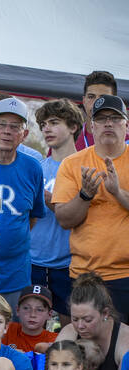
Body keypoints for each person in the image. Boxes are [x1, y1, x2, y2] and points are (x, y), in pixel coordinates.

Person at [53, 94, 129, 319]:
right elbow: (65, 220)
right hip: (85, 275)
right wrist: (85, 195)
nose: (108, 123)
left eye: (115, 118)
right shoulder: (72, 164)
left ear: (126, 125)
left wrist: (117, 192)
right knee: (88, 347)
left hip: (126, 274)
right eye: (102, 118)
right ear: (91, 127)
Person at [0, 97, 47, 311]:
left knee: (12, 339)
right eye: (1, 124)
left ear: (25, 134)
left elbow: (33, 216)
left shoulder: (33, 168)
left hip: (17, 276)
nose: (7, 131)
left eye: (15, 126)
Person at [31, 99, 83, 324]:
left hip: (68, 263)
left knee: (70, 330)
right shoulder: (38, 168)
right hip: (33, 262)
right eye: (43, 124)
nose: (46, 129)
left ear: (73, 127)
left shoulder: (86, 166)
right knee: (31, 330)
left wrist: (50, 200)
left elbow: (84, 216)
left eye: (54, 122)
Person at [3, 285, 57, 370]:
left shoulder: (54, 339)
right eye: (26, 308)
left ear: (49, 314)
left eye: (39, 310)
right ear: (17, 310)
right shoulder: (6, 330)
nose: (32, 314)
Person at [76, 70, 126, 151]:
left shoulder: (127, 140)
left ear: (115, 101)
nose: (96, 103)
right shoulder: (69, 140)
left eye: (103, 98)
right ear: (84, 100)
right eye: (91, 97)